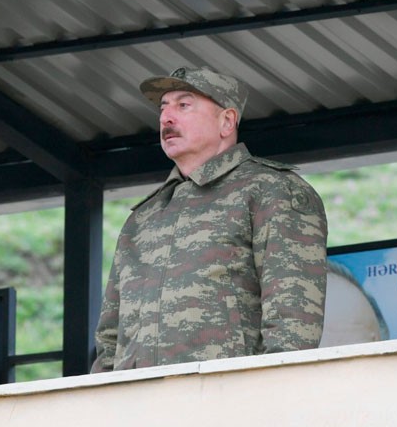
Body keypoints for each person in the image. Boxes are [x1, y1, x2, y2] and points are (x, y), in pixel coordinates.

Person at [91, 66, 328, 372]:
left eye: (183, 105)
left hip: (229, 392)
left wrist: (273, 389)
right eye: (163, 107)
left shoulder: (270, 190)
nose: (166, 118)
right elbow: (109, 338)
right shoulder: (143, 218)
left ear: (226, 121)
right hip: (141, 397)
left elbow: (294, 318)